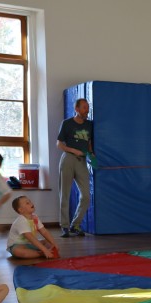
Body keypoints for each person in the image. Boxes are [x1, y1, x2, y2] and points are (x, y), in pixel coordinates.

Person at [57, 97, 94, 237]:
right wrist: (73, 150)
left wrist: (91, 155)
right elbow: (59, 144)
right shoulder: (67, 123)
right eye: (84, 107)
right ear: (77, 109)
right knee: (64, 194)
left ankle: (75, 225)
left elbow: (89, 142)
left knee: (86, 196)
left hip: (82, 161)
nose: (87, 110)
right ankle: (64, 226)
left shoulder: (89, 125)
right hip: (68, 159)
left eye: (88, 107)